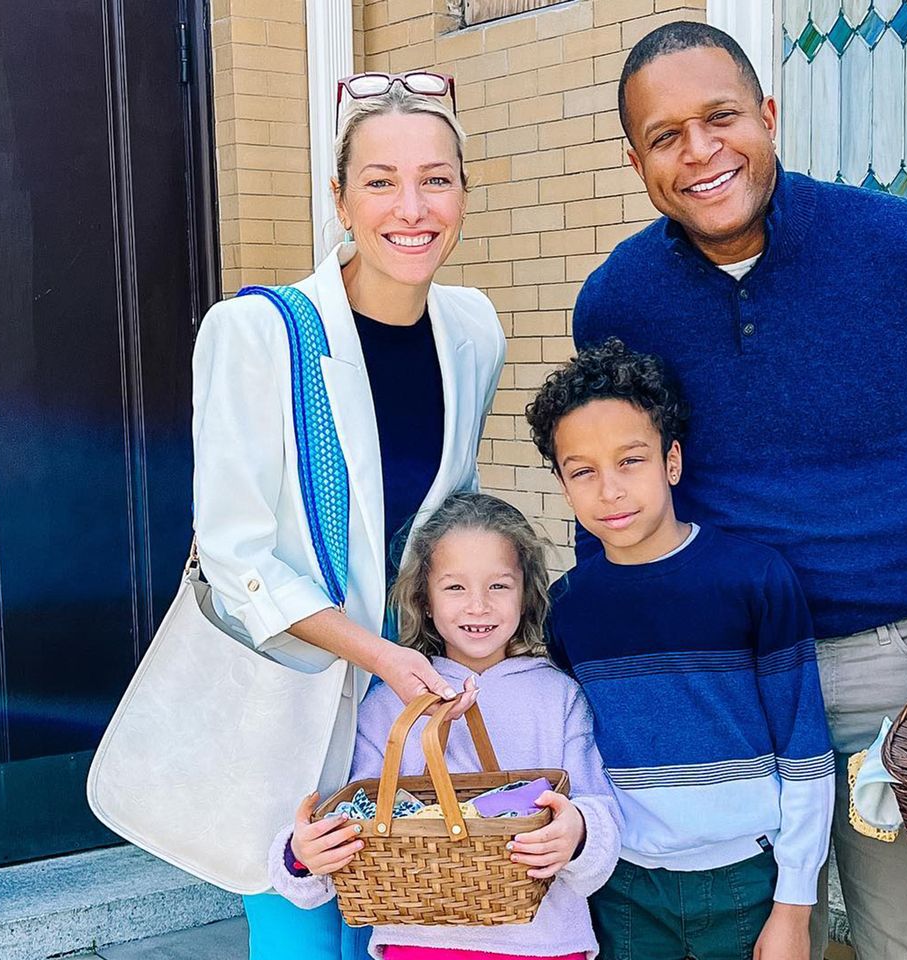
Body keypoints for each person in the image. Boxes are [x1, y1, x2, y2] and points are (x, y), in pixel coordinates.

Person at [568, 21, 907, 960]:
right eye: (665, 136)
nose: (699, 152)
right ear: (636, 159)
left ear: (769, 116)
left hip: (895, 669)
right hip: (721, 680)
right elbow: (616, 485)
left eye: (721, 117)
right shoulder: (618, 301)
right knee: (755, 942)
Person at [192, 77, 505, 959]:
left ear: (465, 193)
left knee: (402, 940)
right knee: (297, 940)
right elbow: (236, 556)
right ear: (338, 198)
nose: (412, 208)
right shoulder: (255, 333)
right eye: (380, 181)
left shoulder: (473, 328)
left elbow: (445, 519)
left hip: (401, 731)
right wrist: (379, 655)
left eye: (437, 180)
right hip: (287, 709)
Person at [527, 340, 834, 960]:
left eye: (630, 461)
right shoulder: (566, 607)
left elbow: (806, 752)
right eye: (582, 470)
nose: (609, 490)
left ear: (671, 462)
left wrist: (795, 907)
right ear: (562, 485)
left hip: (748, 877)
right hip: (621, 884)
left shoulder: (754, 579)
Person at [268, 492, 621, 960]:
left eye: (499, 586)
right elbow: (345, 818)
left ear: (527, 593)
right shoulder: (388, 702)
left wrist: (576, 831)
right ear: (425, 600)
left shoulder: (558, 696)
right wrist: (301, 855)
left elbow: (603, 815)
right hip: (420, 943)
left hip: (544, 943)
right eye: (455, 587)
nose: (478, 606)